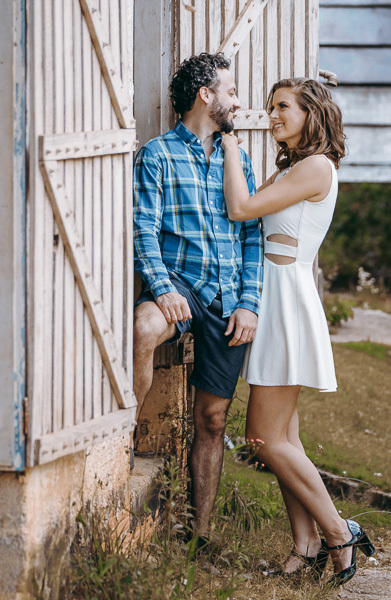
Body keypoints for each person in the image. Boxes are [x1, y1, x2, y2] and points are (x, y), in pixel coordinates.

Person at [221, 78, 373, 586]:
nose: (272, 116)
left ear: (312, 112)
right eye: (270, 107)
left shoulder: (315, 166)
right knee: (284, 438)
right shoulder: (294, 166)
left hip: (283, 301)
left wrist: (227, 145)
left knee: (262, 437)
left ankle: (339, 534)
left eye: (282, 106)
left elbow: (241, 209)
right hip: (278, 294)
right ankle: (305, 543)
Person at [132, 52, 264, 549]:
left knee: (212, 418)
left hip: (228, 296)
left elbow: (252, 235)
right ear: (205, 95)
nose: (237, 99)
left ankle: (200, 536)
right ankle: (129, 439)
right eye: (230, 90)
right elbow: (144, 230)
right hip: (181, 285)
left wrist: (249, 302)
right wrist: (162, 288)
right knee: (143, 328)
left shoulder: (239, 158)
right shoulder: (158, 155)